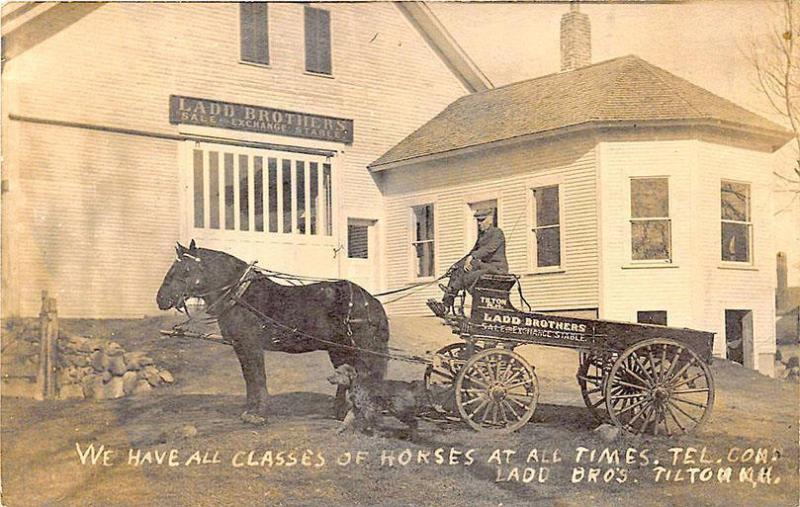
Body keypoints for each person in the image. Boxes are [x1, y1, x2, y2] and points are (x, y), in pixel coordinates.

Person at [428, 208, 508, 316]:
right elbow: (472, 252)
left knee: (471, 266)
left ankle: (452, 290)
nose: (479, 223)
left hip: (497, 269)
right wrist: (455, 265)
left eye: (482, 220)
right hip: (485, 267)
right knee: (458, 269)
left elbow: (488, 249)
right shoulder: (482, 236)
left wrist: (472, 257)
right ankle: (446, 304)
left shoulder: (497, 233)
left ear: (490, 219)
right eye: (478, 221)